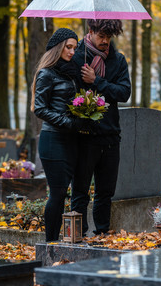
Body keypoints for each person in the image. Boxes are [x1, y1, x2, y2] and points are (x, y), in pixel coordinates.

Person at [70, 19, 131, 236]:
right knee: (80, 191)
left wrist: (97, 81)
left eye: (109, 37)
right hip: (84, 135)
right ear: (91, 31)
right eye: (101, 36)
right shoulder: (75, 57)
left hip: (110, 135)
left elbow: (124, 93)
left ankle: (102, 235)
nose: (105, 41)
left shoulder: (118, 60)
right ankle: (77, 235)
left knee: (105, 192)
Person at [32, 28, 89, 242]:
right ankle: (50, 243)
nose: (73, 51)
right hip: (53, 139)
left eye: (75, 47)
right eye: (68, 47)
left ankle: (69, 239)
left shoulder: (73, 74)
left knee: (72, 192)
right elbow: (39, 108)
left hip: (73, 140)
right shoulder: (47, 73)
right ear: (58, 47)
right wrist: (68, 122)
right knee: (58, 193)